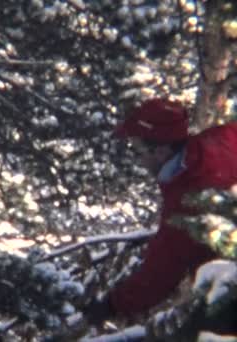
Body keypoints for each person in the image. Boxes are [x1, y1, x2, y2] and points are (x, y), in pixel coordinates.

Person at [87, 98, 237, 323]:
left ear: (160, 150)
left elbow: (159, 275)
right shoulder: (221, 138)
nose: (137, 160)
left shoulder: (187, 203)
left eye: (137, 150)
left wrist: (112, 304)